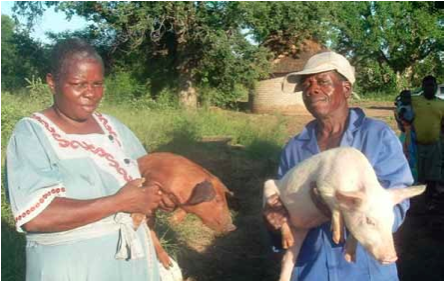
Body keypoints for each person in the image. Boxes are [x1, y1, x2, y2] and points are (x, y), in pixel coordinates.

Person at [5, 38, 163, 280]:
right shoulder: (32, 133)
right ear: (51, 82)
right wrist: (118, 202)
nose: (90, 93)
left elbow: (147, 177)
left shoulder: (113, 128)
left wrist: (162, 194)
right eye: (78, 84)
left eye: (98, 84)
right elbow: (36, 217)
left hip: (131, 265)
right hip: (72, 268)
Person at [263, 51, 414, 280]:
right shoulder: (294, 148)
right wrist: (275, 222)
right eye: (307, 84)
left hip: (366, 270)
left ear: (345, 88)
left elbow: (397, 208)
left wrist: (347, 211)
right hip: (312, 270)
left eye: (323, 81)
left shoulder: (376, 135)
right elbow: (286, 211)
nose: (312, 89)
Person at [411, 75, 444, 213]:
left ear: (436, 87)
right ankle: (415, 203)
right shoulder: (415, 100)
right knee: (418, 175)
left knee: (433, 175)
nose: (430, 87)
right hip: (417, 146)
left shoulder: (441, 104)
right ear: (423, 87)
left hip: (434, 145)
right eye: (427, 85)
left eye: (432, 85)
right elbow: (400, 107)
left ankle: (430, 202)